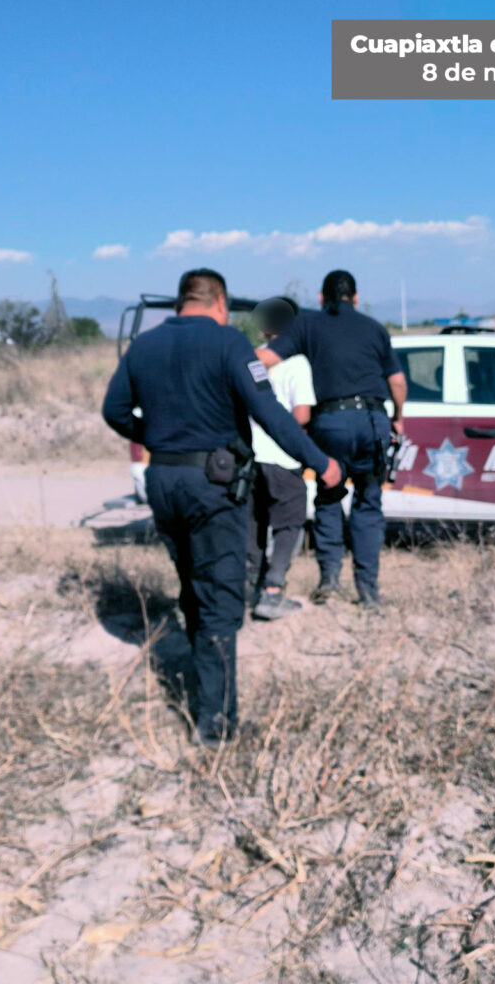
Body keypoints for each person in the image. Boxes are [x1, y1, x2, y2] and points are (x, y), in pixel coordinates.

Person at [102, 269, 340, 746]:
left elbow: (114, 411)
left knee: (192, 585)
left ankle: (206, 687)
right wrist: (320, 462)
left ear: (179, 303)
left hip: (163, 480)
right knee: (221, 597)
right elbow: (269, 413)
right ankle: (217, 724)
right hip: (212, 485)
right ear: (219, 303)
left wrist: (161, 442)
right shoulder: (228, 342)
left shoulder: (142, 348)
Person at [256, 270, 407, 608]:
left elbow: (264, 359)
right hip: (372, 421)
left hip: (330, 423)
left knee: (329, 496)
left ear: (322, 299)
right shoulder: (375, 328)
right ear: (355, 297)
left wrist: (229, 364)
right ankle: (368, 592)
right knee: (368, 503)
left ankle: (329, 581)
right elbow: (397, 381)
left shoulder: (308, 325)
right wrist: (398, 417)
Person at [247, 297, 316, 620]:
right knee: (288, 524)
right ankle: (273, 590)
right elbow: (301, 414)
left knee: (254, 525)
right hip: (282, 456)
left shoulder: (248, 360)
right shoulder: (298, 363)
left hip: (249, 456)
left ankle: (249, 588)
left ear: (263, 327)